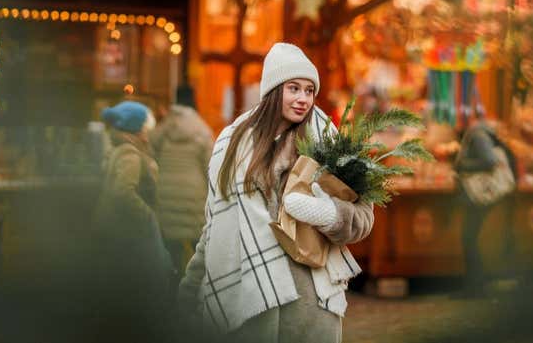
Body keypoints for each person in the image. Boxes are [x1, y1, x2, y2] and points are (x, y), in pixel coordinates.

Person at [178, 43, 374, 342]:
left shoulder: (330, 145)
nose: (303, 99)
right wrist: (189, 292)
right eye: (294, 88)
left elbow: (364, 216)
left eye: (309, 90)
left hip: (310, 309)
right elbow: (216, 224)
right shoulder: (232, 145)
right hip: (250, 306)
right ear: (273, 90)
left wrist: (330, 214)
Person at [94, 100, 175, 341]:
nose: (149, 134)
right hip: (128, 237)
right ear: (137, 129)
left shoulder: (122, 150)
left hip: (118, 236)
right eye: (145, 128)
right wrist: (147, 214)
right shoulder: (130, 154)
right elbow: (122, 192)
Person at [149, 84, 214, 273]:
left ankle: (173, 280)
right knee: (197, 245)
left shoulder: (165, 125)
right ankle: (195, 284)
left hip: (166, 190)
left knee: (172, 247)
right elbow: (210, 165)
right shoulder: (201, 128)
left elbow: (151, 147)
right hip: (194, 193)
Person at [453, 119, 516, 297]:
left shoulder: (478, 135)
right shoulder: (480, 133)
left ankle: (475, 286)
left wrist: (461, 166)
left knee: (469, 239)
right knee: (470, 238)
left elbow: (489, 161)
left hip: (478, 196)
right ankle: (476, 284)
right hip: (479, 195)